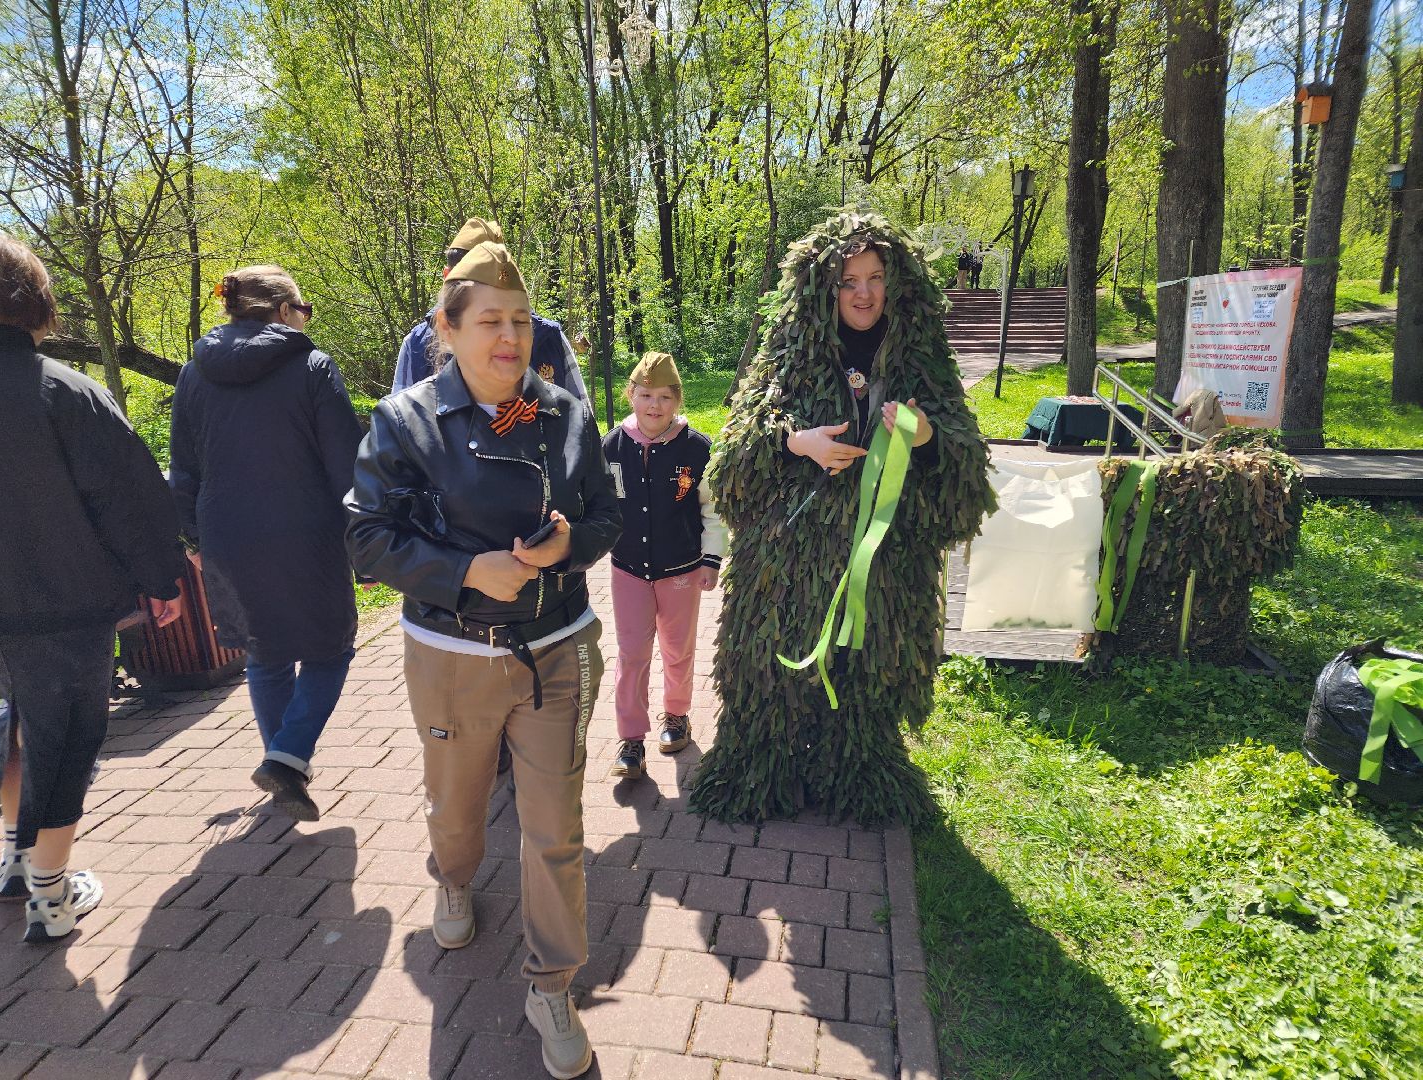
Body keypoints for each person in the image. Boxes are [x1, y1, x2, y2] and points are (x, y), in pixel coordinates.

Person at [345, 242, 620, 1080]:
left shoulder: (567, 415)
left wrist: (573, 542)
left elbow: (605, 515)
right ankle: (455, 878)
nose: (511, 338)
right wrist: (466, 572)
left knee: (556, 829)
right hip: (451, 653)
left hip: (556, 651)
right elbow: (364, 536)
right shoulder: (405, 421)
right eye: (492, 321)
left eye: (522, 321)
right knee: (456, 806)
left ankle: (552, 984)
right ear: (447, 329)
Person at [689, 210, 994, 827]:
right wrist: (795, 444)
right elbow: (731, 459)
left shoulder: (919, 359)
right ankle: (763, 766)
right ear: (823, 288)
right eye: (849, 280)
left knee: (865, 669)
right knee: (774, 665)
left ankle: (860, 768)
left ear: (894, 283)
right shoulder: (787, 353)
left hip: (883, 562)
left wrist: (929, 437)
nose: (863, 292)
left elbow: (968, 471)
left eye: (875, 277)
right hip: (789, 559)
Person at [0, 232, 185, 942]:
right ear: (31, 301)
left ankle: (14, 861)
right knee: (67, 737)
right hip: (64, 608)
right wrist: (160, 577)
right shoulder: (65, 391)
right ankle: (50, 895)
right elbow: (128, 497)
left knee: (21, 720)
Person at [170, 265, 364, 822]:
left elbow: (182, 470)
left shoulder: (193, 373)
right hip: (306, 531)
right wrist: (366, 537)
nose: (305, 321)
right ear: (282, 312)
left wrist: (196, 538)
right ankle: (288, 755)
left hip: (226, 533)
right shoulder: (311, 367)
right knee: (332, 647)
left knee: (265, 650)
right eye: (302, 310)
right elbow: (346, 465)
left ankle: (284, 762)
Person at [601, 351, 727, 781]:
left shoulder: (697, 448)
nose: (654, 405)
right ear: (630, 395)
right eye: (645, 395)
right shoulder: (613, 446)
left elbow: (712, 510)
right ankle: (631, 739)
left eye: (664, 397)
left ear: (677, 399)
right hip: (628, 570)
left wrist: (711, 558)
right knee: (631, 654)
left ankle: (676, 716)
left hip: (682, 571)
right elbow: (601, 503)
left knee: (678, 650)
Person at [391, 217, 589, 411]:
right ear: (447, 277)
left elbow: (582, 424)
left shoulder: (550, 337)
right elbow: (403, 430)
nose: (510, 338)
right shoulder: (416, 345)